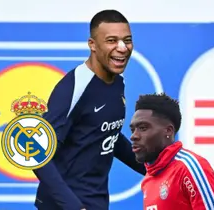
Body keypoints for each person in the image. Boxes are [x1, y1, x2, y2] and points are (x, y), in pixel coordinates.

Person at [32, 9, 146, 210]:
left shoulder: (117, 82)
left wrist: (153, 168)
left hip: (96, 202)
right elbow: (39, 155)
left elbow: (106, 133)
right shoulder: (72, 89)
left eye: (127, 40)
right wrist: (74, 207)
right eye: (112, 40)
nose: (122, 48)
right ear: (92, 45)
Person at [130, 93, 214, 210]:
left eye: (143, 128)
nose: (134, 136)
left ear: (168, 131)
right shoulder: (148, 179)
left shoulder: (188, 168)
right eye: (133, 130)